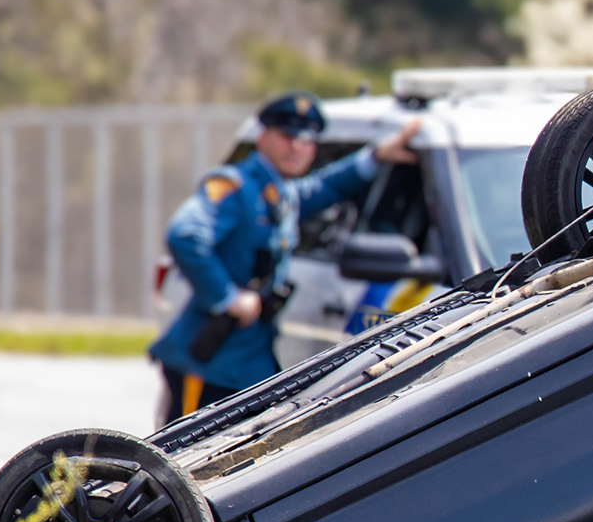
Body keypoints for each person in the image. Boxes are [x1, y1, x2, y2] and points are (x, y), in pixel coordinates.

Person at [150, 90, 421, 424]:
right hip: (207, 360)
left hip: (249, 362)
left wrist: (377, 155)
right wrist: (227, 297)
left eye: (307, 141)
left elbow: (327, 187)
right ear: (263, 136)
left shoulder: (279, 192)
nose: (297, 147)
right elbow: (185, 235)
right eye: (288, 136)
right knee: (183, 458)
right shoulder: (235, 185)